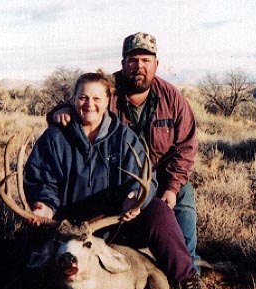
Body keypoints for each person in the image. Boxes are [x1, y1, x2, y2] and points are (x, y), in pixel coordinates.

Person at [24, 72, 223, 289]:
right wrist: (44, 205)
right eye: (83, 97)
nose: (89, 104)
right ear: (73, 100)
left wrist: (134, 198)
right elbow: (42, 178)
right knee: (27, 262)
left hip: (116, 223)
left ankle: (189, 287)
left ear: (108, 101)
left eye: (96, 98)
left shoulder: (123, 137)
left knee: (159, 212)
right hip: (70, 230)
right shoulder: (54, 138)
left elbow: (145, 177)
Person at [48, 32, 201, 274]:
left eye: (145, 60)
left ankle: (189, 272)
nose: (138, 66)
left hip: (160, 176)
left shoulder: (173, 98)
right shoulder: (108, 88)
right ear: (123, 64)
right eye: (132, 60)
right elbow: (84, 102)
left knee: (183, 197)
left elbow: (186, 146)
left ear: (156, 64)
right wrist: (61, 110)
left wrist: (171, 188)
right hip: (121, 178)